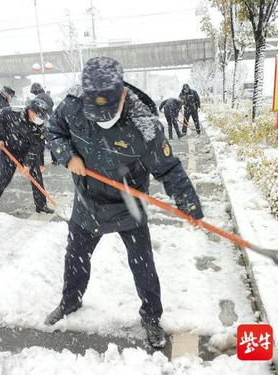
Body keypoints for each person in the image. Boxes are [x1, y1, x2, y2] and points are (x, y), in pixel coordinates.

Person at [43, 57, 203, 349]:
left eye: (108, 113)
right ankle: (70, 302)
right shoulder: (71, 106)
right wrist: (67, 155)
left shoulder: (145, 125)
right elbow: (53, 132)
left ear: (123, 96)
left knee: (142, 263)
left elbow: (168, 168)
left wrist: (188, 203)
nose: (102, 120)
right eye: (96, 115)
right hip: (88, 199)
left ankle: (151, 318)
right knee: (75, 256)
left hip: (129, 202)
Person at [0, 99, 54, 214]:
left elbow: (36, 146)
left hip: (27, 151)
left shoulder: (39, 126)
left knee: (37, 177)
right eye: (39, 115)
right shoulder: (11, 113)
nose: (40, 119)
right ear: (31, 111)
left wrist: (27, 164)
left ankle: (41, 205)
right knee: (3, 179)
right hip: (9, 150)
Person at [30, 82, 58, 164]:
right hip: (51, 120)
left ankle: (40, 162)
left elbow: (35, 110)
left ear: (36, 91)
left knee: (39, 141)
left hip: (43, 121)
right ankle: (55, 159)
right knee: (52, 141)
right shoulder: (47, 96)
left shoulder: (38, 98)